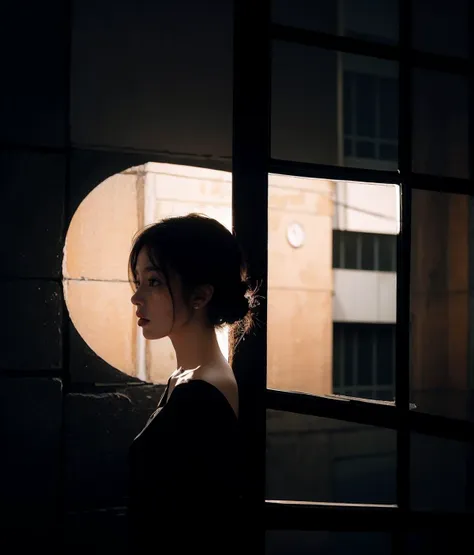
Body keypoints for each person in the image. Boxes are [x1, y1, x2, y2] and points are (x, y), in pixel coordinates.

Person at [127, 213, 256, 553]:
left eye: (153, 282)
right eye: (138, 280)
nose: (136, 297)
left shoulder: (202, 395)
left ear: (200, 296)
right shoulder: (184, 378)